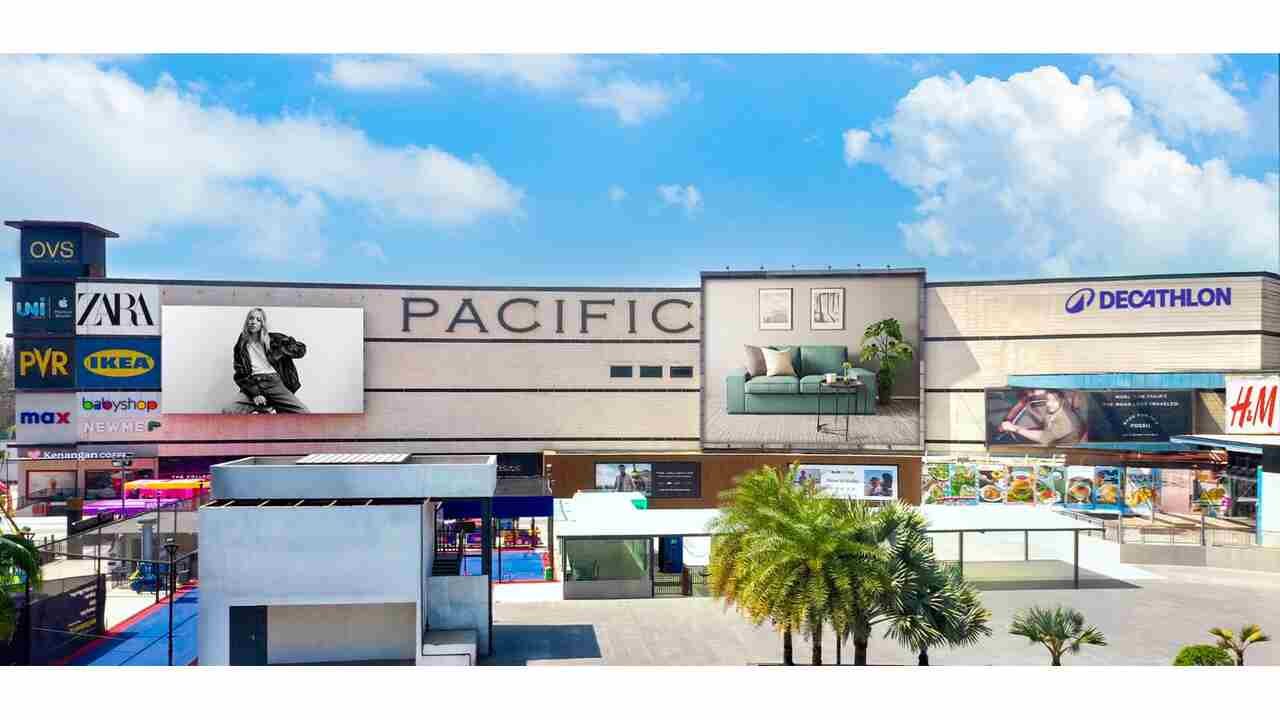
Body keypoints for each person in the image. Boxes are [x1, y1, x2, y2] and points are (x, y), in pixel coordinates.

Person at [224, 308, 310, 414]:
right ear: (247, 321)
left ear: (262, 324)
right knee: (228, 410)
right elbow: (240, 375)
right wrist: (255, 394)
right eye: (251, 318)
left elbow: (301, 351)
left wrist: (284, 349)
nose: (253, 322)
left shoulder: (274, 339)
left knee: (304, 413)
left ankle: (269, 406)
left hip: (274, 382)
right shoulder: (241, 345)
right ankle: (264, 408)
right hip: (253, 383)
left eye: (258, 319)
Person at [999, 389, 1083, 447]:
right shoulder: (1054, 410)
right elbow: (1024, 402)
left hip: (1065, 451)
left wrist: (1015, 428)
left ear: (1062, 401)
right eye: (1048, 400)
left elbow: (1043, 437)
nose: (1049, 404)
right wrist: (1008, 421)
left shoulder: (1066, 422)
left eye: (1054, 401)